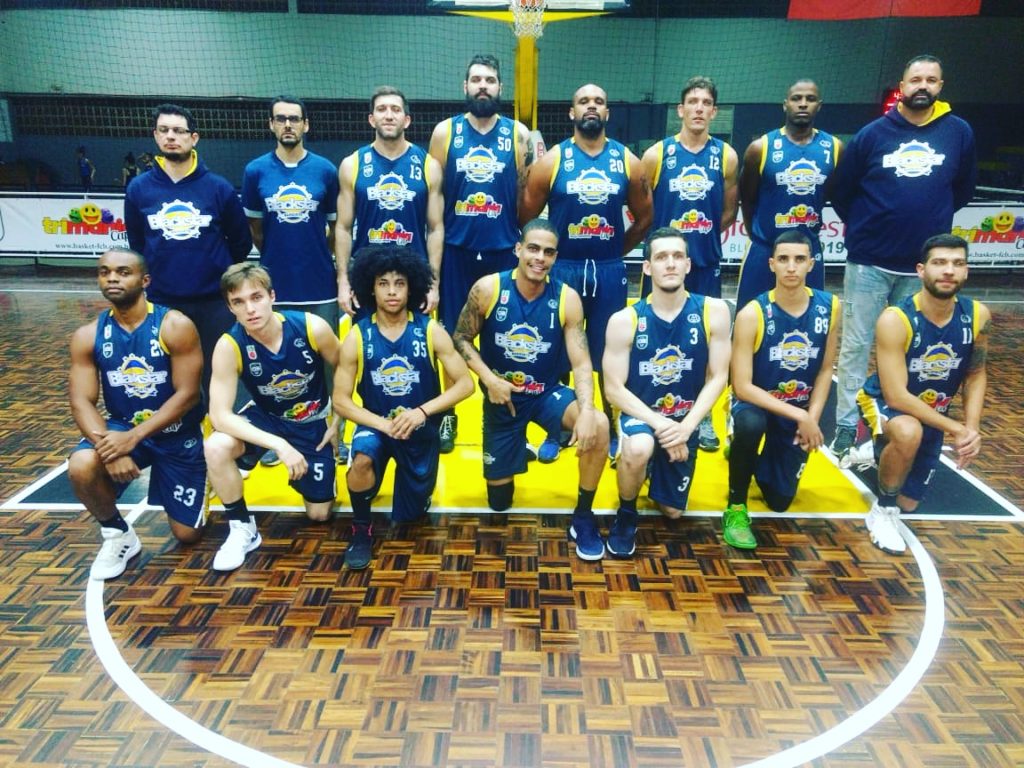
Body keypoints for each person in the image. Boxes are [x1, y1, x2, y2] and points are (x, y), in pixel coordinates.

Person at [829, 54, 977, 462]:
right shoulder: (872, 134)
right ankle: (846, 426)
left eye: (931, 79)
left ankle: (895, 424)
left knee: (911, 354)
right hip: (869, 262)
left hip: (921, 269)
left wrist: (926, 217)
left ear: (940, 86)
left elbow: (963, 189)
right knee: (856, 347)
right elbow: (841, 189)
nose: (922, 86)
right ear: (902, 85)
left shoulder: (958, 132)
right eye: (916, 79)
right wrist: (867, 224)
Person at [452, 219, 611, 561]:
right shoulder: (488, 289)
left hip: (545, 394)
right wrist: (490, 380)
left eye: (548, 252)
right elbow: (461, 338)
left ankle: (584, 516)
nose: (540, 258)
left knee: (598, 425)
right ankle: (518, 448)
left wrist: (586, 411)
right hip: (503, 399)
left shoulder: (567, 298)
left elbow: (582, 362)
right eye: (533, 249)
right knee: (499, 502)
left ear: (555, 257)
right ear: (518, 249)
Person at [519, 83, 652, 462]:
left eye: (598, 102)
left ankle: (609, 423)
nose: (591, 106)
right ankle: (559, 425)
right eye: (583, 101)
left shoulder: (628, 162)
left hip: (608, 269)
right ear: (572, 112)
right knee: (557, 350)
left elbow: (645, 218)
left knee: (609, 350)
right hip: (564, 268)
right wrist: (546, 256)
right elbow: (525, 217)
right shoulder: (553, 161)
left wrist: (616, 251)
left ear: (607, 113)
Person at [68, 248, 206, 581]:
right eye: (104, 272)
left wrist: (133, 438)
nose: (112, 278)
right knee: (81, 465)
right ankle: (118, 534)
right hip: (124, 428)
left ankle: (207, 482)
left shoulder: (174, 326)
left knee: (187, 535)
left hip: (177, 434)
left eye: (123, 271)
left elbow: (188, 395)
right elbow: (80, 401)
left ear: (144, 281)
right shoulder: (88, 335)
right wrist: (110, 449)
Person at [333, 247, 475, 569]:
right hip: (376, 425)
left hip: (419, 428)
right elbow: (340, 400)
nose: (392, 291)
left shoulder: (430, 330)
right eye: (383, 283)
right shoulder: (357, 335)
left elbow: (466, 385)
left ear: (411, 288)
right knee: (362, 461)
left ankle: (414, 491)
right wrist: (383, 425)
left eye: (399, 283)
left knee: (413, 513)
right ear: (371, 288)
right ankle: (361, 528)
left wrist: (421, 412)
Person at [601, 228, 731, 557]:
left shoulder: (714, 311)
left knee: (673, 511)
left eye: (677, 256)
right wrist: (661, 425)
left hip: (685, 419)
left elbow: (719, 376)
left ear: (688, 264)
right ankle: (626, 515)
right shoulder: (624, 320)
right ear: (647, 267)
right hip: (641, 416)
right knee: (639, 447)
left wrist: (686, 428)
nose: (670, 263)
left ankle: (650, 471)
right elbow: (613, 389)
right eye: (661, 257)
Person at [856, 234, 988, 554]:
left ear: (966, 271)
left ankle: (879, 453)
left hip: (932, 412)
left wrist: (971, 429)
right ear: (921, 270)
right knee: (907, 431)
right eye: (939, 263)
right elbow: (897, 397)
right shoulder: (896, 319)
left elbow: (975, 373)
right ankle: (883, 511)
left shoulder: (978, 315)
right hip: (883, 402)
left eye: (957, 263)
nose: (948, 270)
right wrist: (956, 429)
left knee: (910, 502)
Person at [204, 263, 341, 572]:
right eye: (239, 302)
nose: (250, 309)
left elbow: (348, 368)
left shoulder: (311, 327)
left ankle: (305, 471)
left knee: (319, 514)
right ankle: (242, 527)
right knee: (216, 446)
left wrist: (338, 420)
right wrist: (279, 445)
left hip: (311, 421)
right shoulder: (229, 345)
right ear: (230, 307)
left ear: (272, 297)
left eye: (256, 297)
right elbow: (220, 415)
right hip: (267, 418)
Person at [429, 54, 533, 456]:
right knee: (450, 336)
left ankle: (509, 415)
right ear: (465, 86)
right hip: (457, 251)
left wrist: (511, 235)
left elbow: (524, 195)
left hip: (502, 251)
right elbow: (435, 196)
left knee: (505, 337)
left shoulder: (518, 135)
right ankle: (448, 413)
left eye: (490, 80)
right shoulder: (445, 132)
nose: (483, 86)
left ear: (500, 88)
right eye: (476, 80)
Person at [242, 95, 348, 467]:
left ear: (306, 125)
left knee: (330, 366)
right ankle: (280, 439)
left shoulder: (325, 170)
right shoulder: (256, 171)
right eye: (281, 119)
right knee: (278, 367)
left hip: (319, 286)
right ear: (271, 124)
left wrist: (320, 259)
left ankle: (336, 437)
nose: (288, 125)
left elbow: (336, 229)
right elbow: (256, 229)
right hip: (276, 288)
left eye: (294, 119)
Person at [124, 103, 253, 402]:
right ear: (155, 136)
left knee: (219, 376)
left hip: (214, 303)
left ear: (194, 138)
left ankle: (224, 430)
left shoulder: (218, 188)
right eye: (164, 130)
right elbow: (137, 245)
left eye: (179, 131)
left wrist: (216, 274)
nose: (171, 136)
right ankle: (179, 431)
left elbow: (240, 242)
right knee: (170, 378)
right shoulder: (139, 189)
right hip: (163, 302)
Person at [641, 76, 738, 452]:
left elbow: (728, 212)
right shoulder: (656, 155)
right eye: (692, 102)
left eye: (706, 103)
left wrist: (699, 239)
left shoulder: (726, 156)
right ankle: (650, 412)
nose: (699, 108)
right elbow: (644, 211)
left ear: (714, 112)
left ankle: (705, 418)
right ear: (680, 110)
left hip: (705, 264)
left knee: (708, 344)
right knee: (655, 342)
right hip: (664, 269)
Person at [725, 231, 839, 550]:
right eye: (784, 259)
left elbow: (826, 369)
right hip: (757, 403)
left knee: (779, 500)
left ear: (811, 264)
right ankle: (735, 507)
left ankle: (749, 456)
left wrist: (812, 416)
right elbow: (742, 386)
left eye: (799, 259)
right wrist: (801, 416)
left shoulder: (830, 307)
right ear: (771, 264)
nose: (791, 267)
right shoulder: (752, 313)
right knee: (750, 425)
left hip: (798, 407)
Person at [335, 86, 444, 319]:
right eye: (381, 109)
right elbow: (343, 228)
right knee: (366, 341)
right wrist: (343, 280)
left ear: (407, 120)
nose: (388, 115)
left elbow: (435, 228)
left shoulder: (429, 165)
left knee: (416, 340)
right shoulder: (352, 164)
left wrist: (433, 283)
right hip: (367, 274)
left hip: (413, 274)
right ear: (371, 119)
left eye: (395, 109)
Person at [737, 79, 842, 309]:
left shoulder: (834, 148)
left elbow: (834, 195)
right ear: (785, 104)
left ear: (819, 105)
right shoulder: (760, 148)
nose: (803, 104)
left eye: (810, 99)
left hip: (808, 250)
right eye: (796, 99)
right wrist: (758, 235)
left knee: (809, 319)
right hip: (764, 249)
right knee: (750, 317)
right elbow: (747, 199)